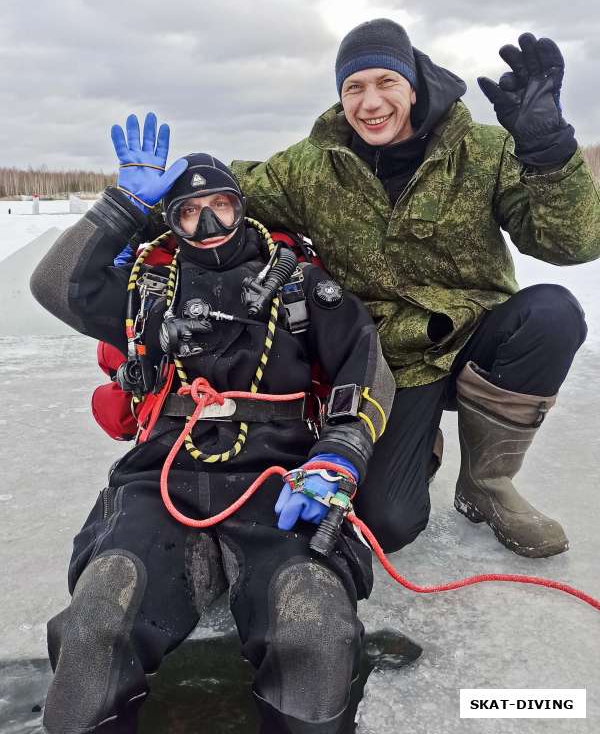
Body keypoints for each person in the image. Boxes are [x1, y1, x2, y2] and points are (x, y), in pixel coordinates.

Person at [30, 113, 396, 734]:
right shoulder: (148, 288)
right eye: (189, 211)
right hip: (162, 477)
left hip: (281, 478)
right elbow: (54, 285)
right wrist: (120, 204)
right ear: (169, 220)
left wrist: (342, 451)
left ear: (242, 207)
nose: (209, 223)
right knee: (96, 625)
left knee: (314, 631)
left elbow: (368, 368)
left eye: (221, 205)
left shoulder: (300, 286)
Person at [230, 20, 600, 558]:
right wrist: (141, 204)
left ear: (413, 85)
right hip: (390, 362)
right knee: (388, 524)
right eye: (354, 87)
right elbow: (224, 202)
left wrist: (548, 150)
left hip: (479, 337)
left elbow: (574, 244)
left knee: (553, 312)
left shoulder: (482, 148)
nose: (371, 102)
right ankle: (414, 444)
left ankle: (486, 485)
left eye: (386, 83)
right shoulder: (311, 166)